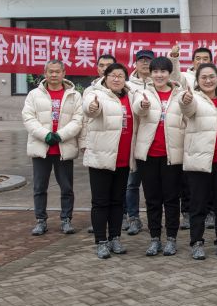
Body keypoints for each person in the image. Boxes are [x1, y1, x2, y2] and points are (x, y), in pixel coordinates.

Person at [180, 63, 217, 260]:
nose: (208, 80)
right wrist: (185, 100)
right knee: (198, 205)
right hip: (198, 162)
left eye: (211, 76)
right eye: (203, 77)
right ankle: (197, 242)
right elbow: (186, 109)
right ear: (197, 80)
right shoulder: (193, 99)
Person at [22, 60, 83, 236]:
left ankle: (66, 220)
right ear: (45, 73)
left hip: (64, 149)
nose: (54, 75)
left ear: (64, 73)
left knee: (67, 188)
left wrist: (60, 135)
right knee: (39, 187)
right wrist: (46, 135)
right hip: (41, 148)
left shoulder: (74, 95)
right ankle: (41, 221)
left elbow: (78, 120)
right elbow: (28, 118)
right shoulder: (34, 94)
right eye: (50, 71)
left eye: (57, 71)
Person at [132, 56, 186, 257]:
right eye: (155, 71)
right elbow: (138, 108)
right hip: (148, 155)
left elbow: (189, 113)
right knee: (152, 199)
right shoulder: (142, 93)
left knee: (172, 199)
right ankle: (155, 238)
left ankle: (171, 239)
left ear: (170, 74)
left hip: (172, 156)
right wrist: (143, 106)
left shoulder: (181, 95)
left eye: (163, 71)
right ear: (151, 74)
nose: (159, 75)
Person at [83, 63, 137, 259]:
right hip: (101, 157)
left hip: (123, 159)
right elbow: (89, 108)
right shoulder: (94, 93)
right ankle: (101, 241)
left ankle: (115, 238)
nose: (116, 79)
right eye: (112, 75)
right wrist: (93, 106)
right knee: (100, 202)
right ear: (105, 78)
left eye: (120, 75)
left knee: (117, 202)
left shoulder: (131, 95)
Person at [168, 45, 217, 231]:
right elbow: (174, 78)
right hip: (187, 137)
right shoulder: (186, 77)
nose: (201, 62)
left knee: (210, 180)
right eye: (198, 58)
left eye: (205, 59)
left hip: (209, 139)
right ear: (192, 61)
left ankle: (210, 212)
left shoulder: (215, 79)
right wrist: (174, 58)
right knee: (188, 182)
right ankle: (187, 212)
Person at [123, 49, 156, 236]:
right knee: (132, 183)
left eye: (148, 60)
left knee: (156, 184)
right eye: (141, 60)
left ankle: (156, 219)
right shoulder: (127, 86)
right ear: (135, 63)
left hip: (155, 140)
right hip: (133, 140)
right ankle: (133, 218)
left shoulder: (160, 83)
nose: (145, 63)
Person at [82, 54, 115, 234]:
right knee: (99, 193)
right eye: (101, 65)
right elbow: (84, 118)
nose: (105, 69)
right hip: (97, 147)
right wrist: (83, 142)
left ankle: (118, 223)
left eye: (108, 65)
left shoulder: (125, 90)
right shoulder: (90, 91)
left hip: (119, 149)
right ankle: (99, 225)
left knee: (119, 192)